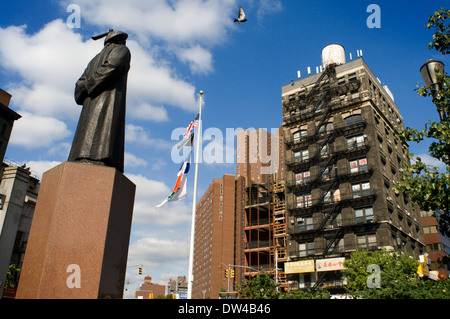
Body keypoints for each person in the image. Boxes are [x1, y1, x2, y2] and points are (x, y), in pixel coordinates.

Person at [68, 30, 131, 173]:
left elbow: (80, 84)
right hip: (108, 100)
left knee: (90, 134)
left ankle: (87, 157)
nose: (125, 43)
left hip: (91, 102)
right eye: (123, 39)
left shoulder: (94, 60)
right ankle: (101, 159)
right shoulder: (121, 50)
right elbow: (112, 67)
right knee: (103, 134)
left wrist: (87, 86)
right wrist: (91, 84)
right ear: (119, 40)